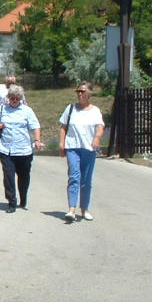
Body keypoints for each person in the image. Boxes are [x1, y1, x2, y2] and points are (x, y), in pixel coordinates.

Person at [59, 81, 105, 222]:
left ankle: (84, 209)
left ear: (89, 93)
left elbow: (100, 127)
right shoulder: (70, 109)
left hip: (89, 149)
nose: (80, 94)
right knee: (74, 177)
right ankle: (72, 209)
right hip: (73, 147)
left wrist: (97, 138)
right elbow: (63, 127)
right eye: (78, 91)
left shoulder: (95, 111)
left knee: (86, 180)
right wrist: (62, 144)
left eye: (83, 91)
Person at [0, 84, 43, 213]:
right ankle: (11, 202)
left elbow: (35, 126)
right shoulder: (3, 109)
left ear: (21, 98)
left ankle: (23, 197)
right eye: (12, 98)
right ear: (8, 98)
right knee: (8, 177)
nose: (14, 100)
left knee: (24, 177)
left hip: (23, 150)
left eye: (17, 98)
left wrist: (37, 140)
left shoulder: (27, 111)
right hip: (6, 149)